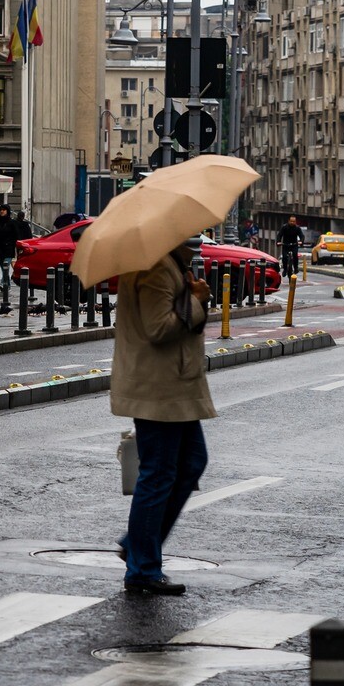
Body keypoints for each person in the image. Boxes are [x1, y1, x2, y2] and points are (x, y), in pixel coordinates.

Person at [113, 239, 214, 596]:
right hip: (159, 388)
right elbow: (159, 328)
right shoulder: (155, 267)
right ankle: (142, 567)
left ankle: (139, 541)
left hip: (175, 386)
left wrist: (195, 295)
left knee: (191, 463)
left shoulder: (169, 262)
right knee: (158, 474)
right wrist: (198, 301)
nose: (199, 236)